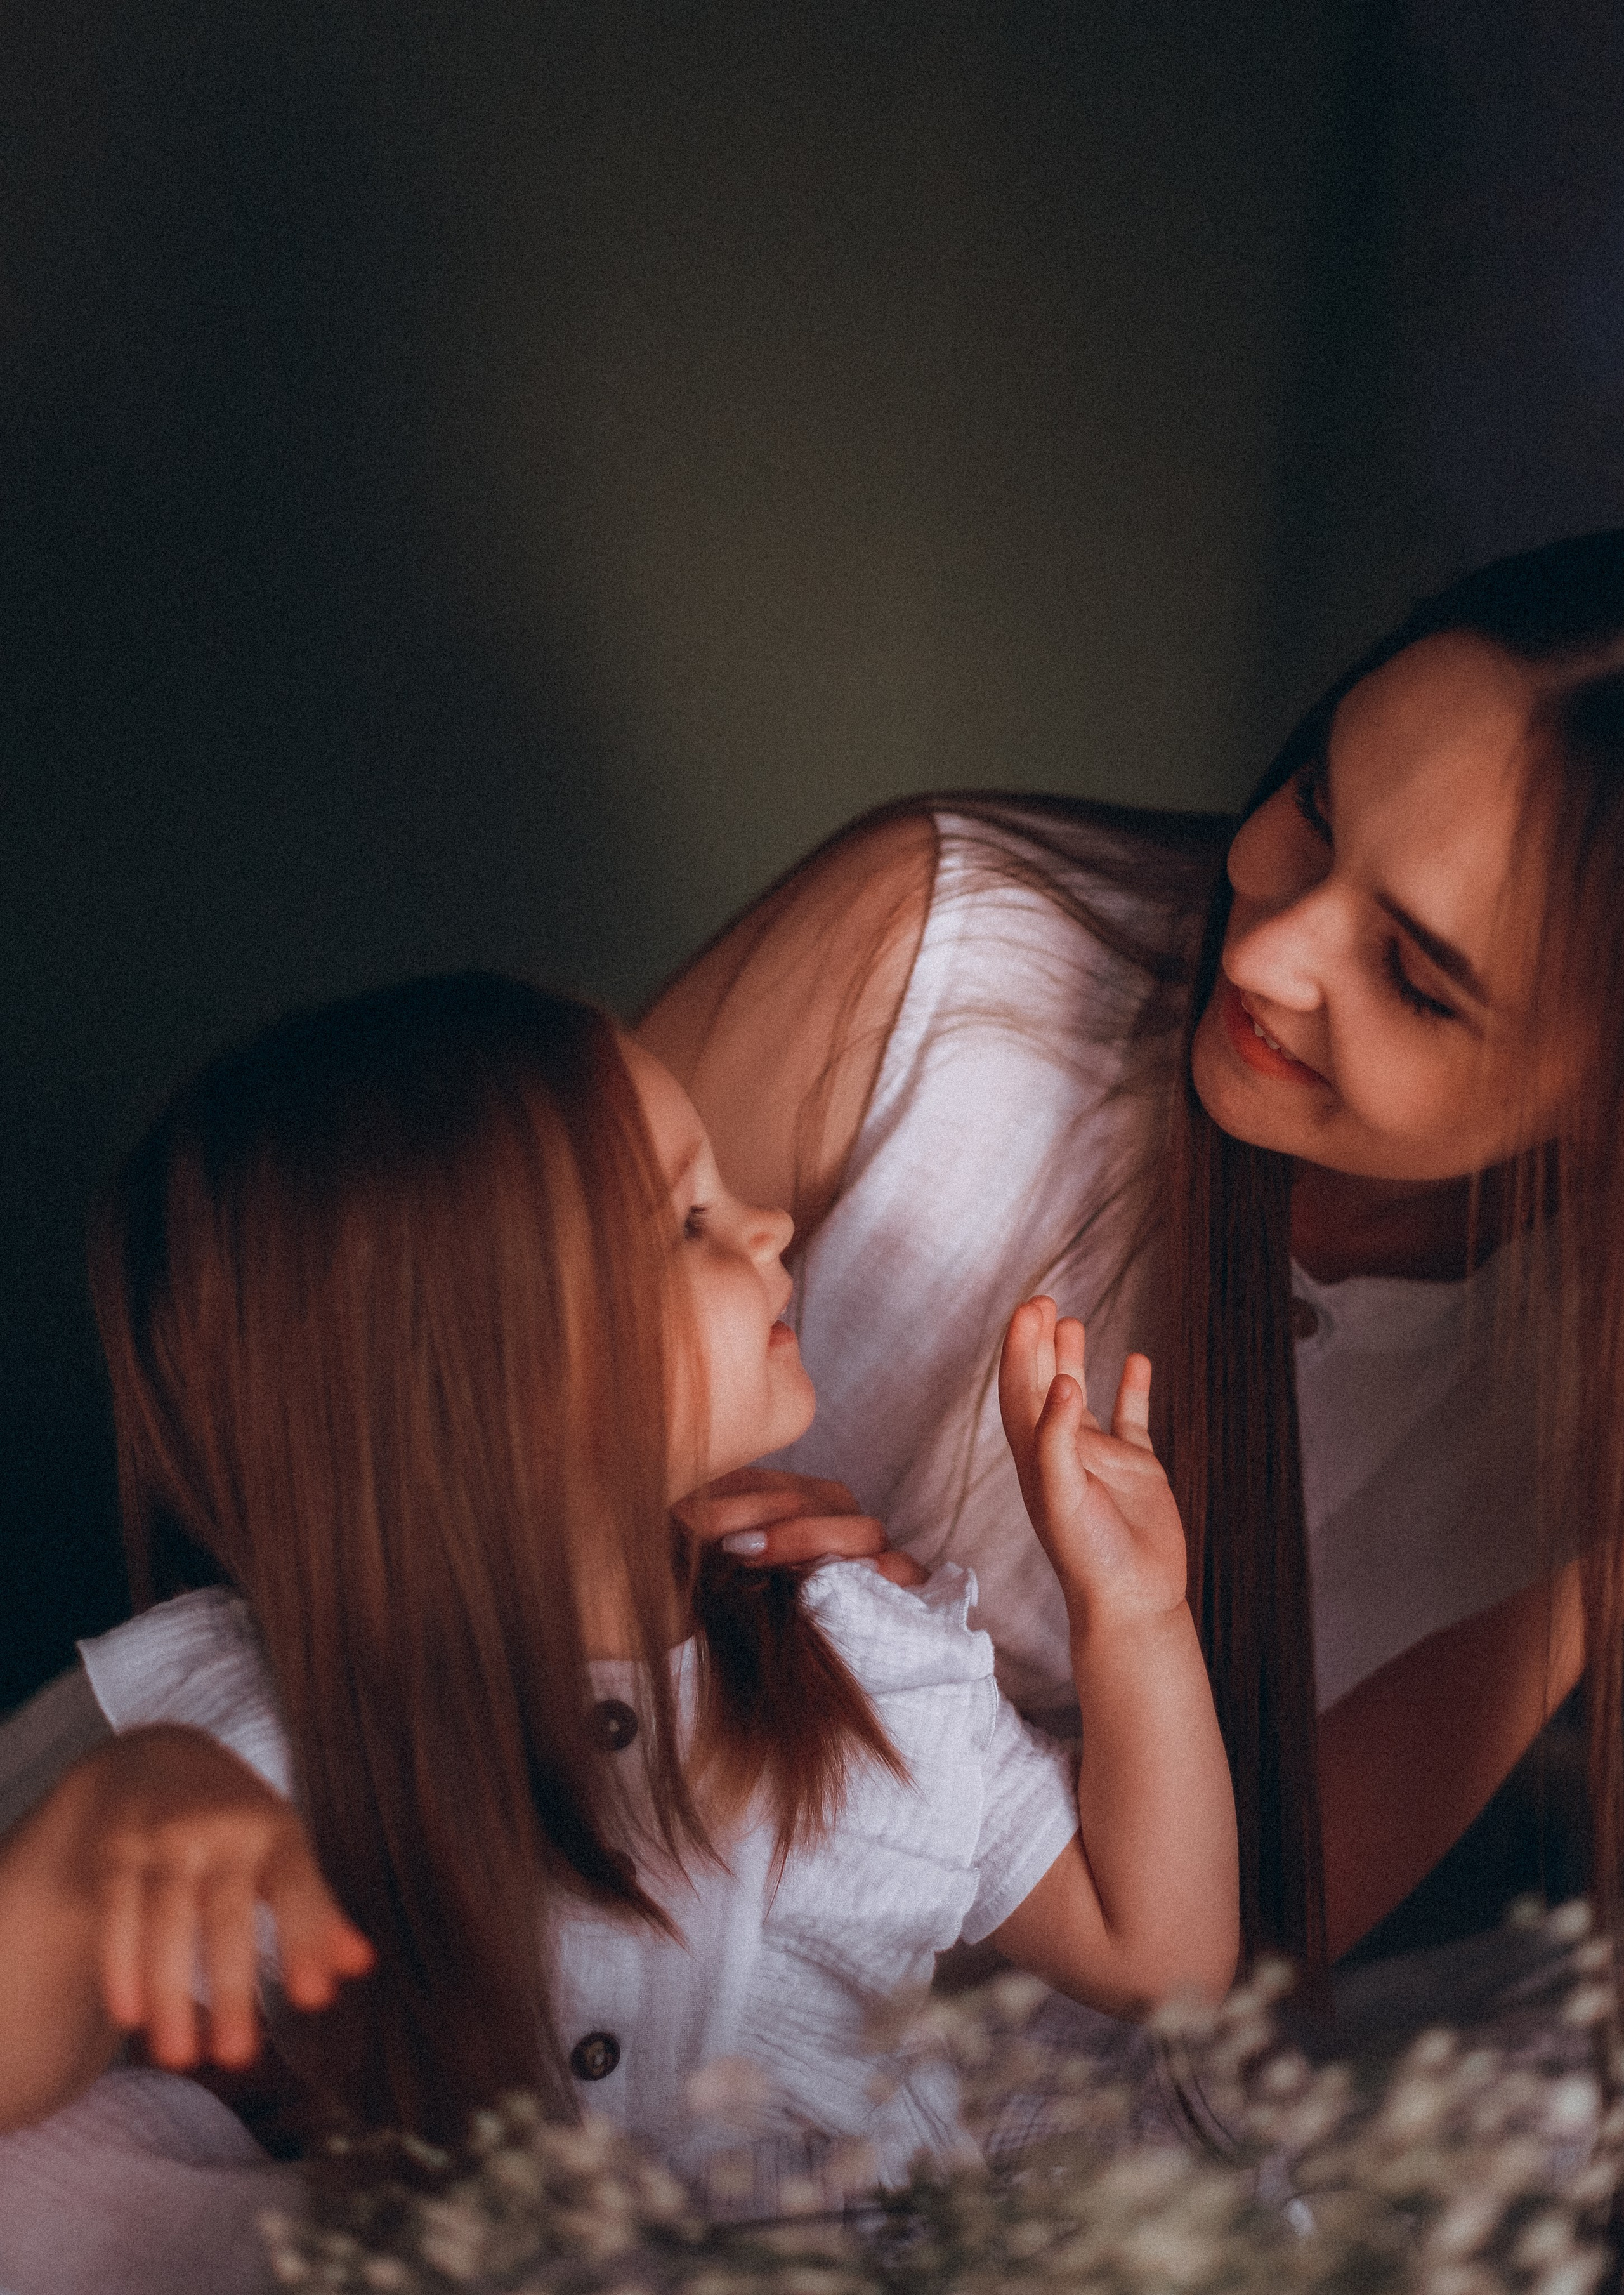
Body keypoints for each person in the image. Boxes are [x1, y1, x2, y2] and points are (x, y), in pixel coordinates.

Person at [0, 978, 1235, 2218]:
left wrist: (1133, 1610)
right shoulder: (248, 1733)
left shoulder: (862, 1661)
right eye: (683, 1220)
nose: (766, 1225)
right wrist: (92, 1837)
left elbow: (1158, 1958)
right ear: (464, 1381)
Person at [638, 527, 1624, 1983]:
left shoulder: (1577, 1404)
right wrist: (649, 1574)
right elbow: (401, 1408)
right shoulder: (930, 954)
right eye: (1311, 808)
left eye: (1414, 977)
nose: (1263, 954)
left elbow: (1239, 1965)